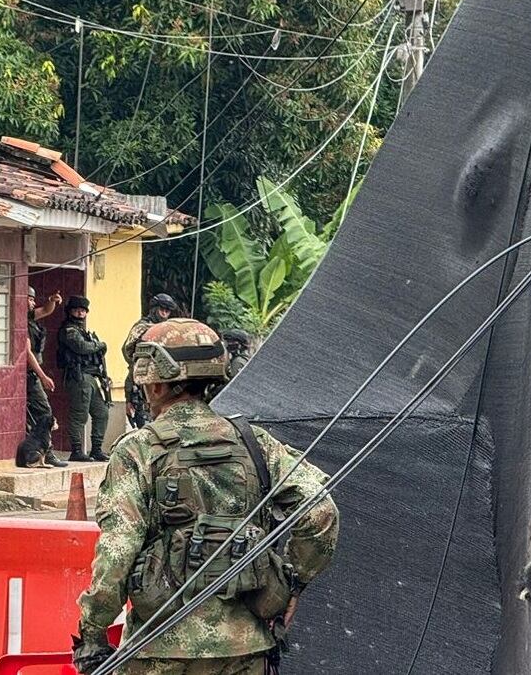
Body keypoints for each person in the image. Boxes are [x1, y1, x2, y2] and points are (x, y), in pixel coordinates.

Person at [73, 318, 339, 675]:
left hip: (161, 648)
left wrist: (93, 629)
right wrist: (293, 586)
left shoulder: (137, 449)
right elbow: (320, 512)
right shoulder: (253, 442)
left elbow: (119, 548)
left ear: (154, 384)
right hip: (245, 648)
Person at [57, 295, 111, 462]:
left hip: (92, 377)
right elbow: (81, 347)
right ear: (70, 312)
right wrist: (99, 345)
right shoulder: (69, 330)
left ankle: (96, 449)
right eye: (76, 310)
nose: (80, 314)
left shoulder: (84, 332)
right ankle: (77, 450)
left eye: (83, 311)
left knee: (102, 413)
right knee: (79, 415)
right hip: (78, 377)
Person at [122, 293, 178, 429]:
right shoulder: (142, 327)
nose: (164, 313)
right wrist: (143, 362)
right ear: (154, 309)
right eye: (162, 309)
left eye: (167, 311)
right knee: (146, 426)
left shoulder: (168, 329)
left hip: (162, 381)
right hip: (142, 381)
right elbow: (127, 350)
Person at [27, 287, 66, 467]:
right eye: (29, 299)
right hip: (29, 374)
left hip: (33, 373)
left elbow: (46, 310)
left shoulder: (29, 317)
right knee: (44, 413)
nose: (33, 303)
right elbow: (28, 354)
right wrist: (42, 376)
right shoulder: (20, 322)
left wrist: (52, 299)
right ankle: (46, 453)